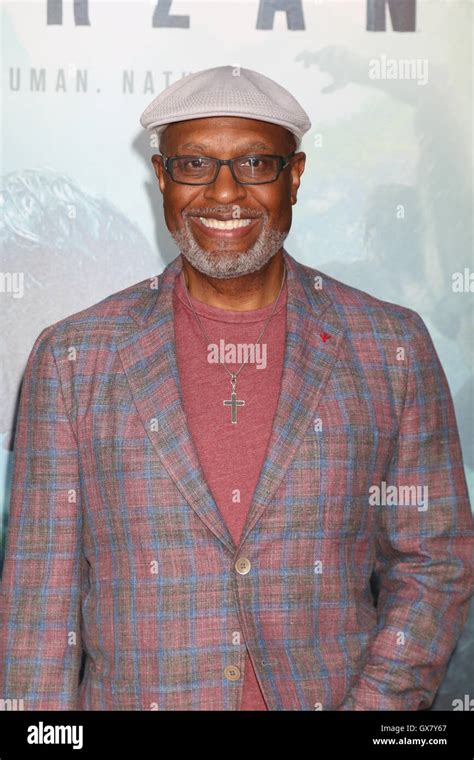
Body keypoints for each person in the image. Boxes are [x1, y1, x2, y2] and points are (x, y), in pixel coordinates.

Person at [0, 65, 472, 711]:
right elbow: (38, 603)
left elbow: (435, 561)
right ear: (163, 178)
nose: (225, 193)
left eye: (255, 164)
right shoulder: (72, 358)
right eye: (194, 164)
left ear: (295, 177)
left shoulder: (391, 347)